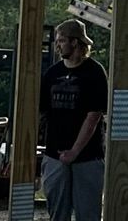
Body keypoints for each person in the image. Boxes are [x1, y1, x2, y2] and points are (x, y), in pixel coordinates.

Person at [39, 21, 107, 221]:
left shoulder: (94, 72)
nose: (57, 46)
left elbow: (93, 116)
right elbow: (41, 112)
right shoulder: (52, 73)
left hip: (87, 157)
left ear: (75, 42)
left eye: (61, 41)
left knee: (88, 214)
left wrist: (75, 151)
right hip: (54, 155)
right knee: (57, 213)